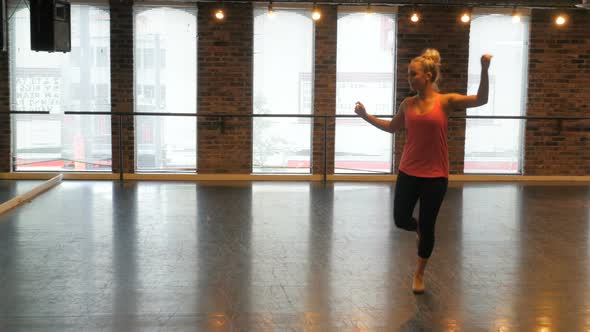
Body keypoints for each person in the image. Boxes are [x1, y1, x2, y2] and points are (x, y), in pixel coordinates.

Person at [354, 49, 492, 294]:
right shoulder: (407, 104)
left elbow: (481, 100)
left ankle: (418, 274)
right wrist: (365, 116)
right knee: (400, 219)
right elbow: (391, 128)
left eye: (413, 74)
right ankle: (417, 228)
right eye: (408, 74)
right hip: (408, 172)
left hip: (436, 176)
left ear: (427, 76)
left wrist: (483, 70)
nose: (409, 78)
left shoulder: (446, 101)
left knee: (428, 227)